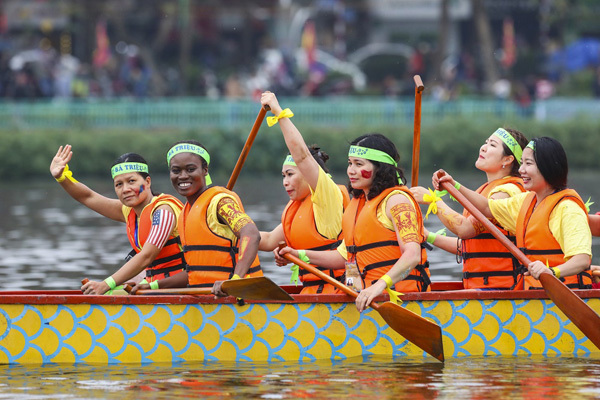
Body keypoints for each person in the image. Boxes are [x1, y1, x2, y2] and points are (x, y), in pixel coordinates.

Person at [279, 133, 430, 312]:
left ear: (380, 168)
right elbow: (344, 256)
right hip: (364, 298)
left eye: (359, 164)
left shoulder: (397, 201)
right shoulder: (357, 205)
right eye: (350, 163)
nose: (351, 170)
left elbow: (412, 255)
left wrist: (379, 286)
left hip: (399, 301)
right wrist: (298, 255)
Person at [433, 137, 593, 290]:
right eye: (522, 163)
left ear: (548, 167)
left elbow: (581, 260)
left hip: (567, 294)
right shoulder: (525, 201)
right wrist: (453, 185)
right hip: (534, 295)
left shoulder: (567, 208)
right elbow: (488, 208)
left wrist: (552, 272)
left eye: (528, 164)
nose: (521, 170)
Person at [50, 145, 186, 295]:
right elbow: (88, 197)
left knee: (105, 292)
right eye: (119, 184)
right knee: (103, 293)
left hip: (180, 286)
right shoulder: (128, 211)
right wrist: (61, 178)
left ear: (147, 182)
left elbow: (147, 255)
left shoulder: (164, 210)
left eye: (131, 181)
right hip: (154, 283)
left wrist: (105, 284)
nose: (125, 189)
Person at [133, 140, 263, 296]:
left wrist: (235, 280)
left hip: (240, 298)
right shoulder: (185, 214)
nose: (182, 176)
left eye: (190, 169)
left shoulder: (220, 202)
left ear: (205, 170)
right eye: (176, 171)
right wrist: (154, 286)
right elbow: (193, 273)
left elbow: (251, 234)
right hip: (207, 299)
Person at [411, 127, 528, 290]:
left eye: (492, 145)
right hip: (480, 287)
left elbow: (464, 229)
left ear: (507, 160)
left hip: (503, 289)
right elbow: (467, 245)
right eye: (486, 142)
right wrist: (427, 236)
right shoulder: (483, 190)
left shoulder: (509, 191)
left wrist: (433, 200)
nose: (483, 147)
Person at [258, 91, 350, 294]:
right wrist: (231, 232)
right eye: (283, 176)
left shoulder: (328, 196)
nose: (285, 182)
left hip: (336, 295)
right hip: (310, 295)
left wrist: (278, 111)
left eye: (290, 174)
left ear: (309, 174)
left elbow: (301, 156)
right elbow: (266, 241)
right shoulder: (297, 209)